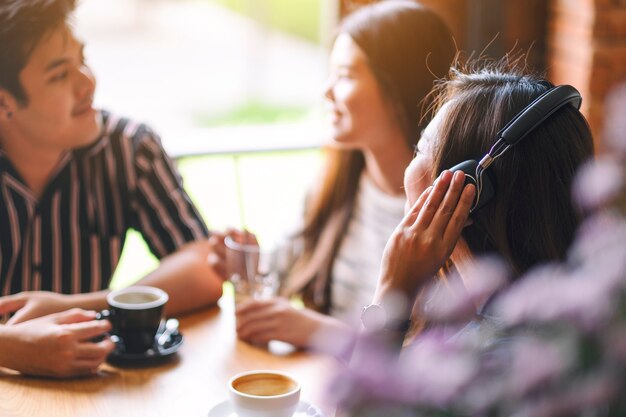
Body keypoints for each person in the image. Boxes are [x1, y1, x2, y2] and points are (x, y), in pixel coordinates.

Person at [212, 0, 456, 352]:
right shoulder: (339, 184)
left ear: (399, 84)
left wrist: (319, 331)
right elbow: (280, 274)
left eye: (344, 76)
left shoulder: (447, 217)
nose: (326, 91)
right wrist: (247, 261)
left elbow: (435, 368)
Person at [0, 0, 222, 374]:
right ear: (5, 102)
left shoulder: (130, 149)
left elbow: (204, 268)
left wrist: (74, 306)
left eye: (82, 60)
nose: (87, 82)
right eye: (58, 75)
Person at [369, 62, 595, 335]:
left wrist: (391, 293)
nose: (409, 166)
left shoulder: (487, 355)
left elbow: (357, 380)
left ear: (469, 185)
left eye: (420, 148)